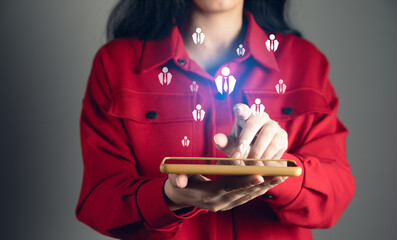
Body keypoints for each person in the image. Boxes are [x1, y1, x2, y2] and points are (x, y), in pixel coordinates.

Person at [76, 0, 355, 239]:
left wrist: (280, 169)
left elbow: (335, 192)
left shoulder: (304, 61)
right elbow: (100, 199)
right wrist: (168, 198)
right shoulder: (116, 65)